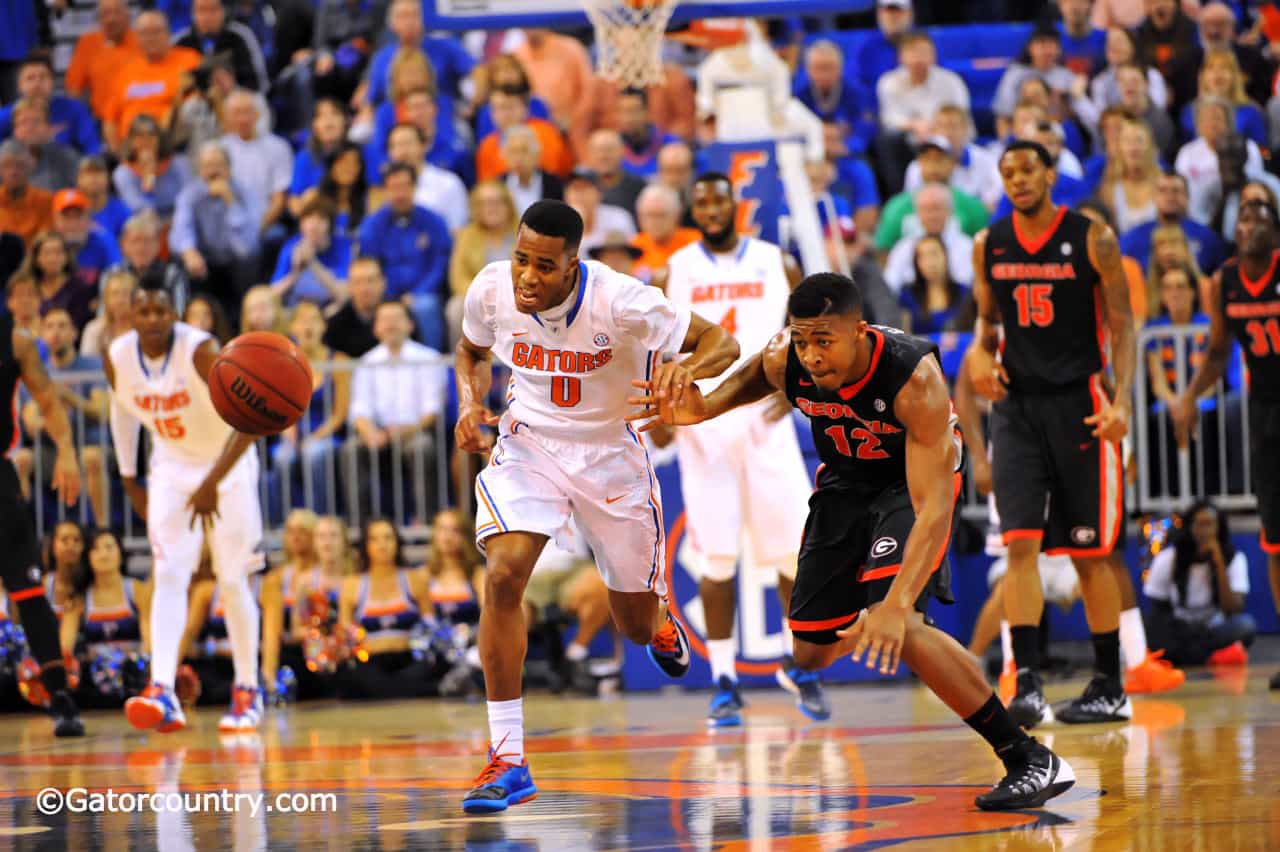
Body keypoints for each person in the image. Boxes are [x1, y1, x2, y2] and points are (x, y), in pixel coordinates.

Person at [629, 271, 1075, 811]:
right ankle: (889, 620)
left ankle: (1026, 755)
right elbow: (758, 376)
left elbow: (933, 507)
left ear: (859, 332)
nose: (811, 356)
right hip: (844, 485)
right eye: (802, 340)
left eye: (824, 341)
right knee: (811, 649)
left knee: (902, 623)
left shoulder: (913, 379)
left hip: (907, 489)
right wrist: (705, 406)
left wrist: (897, 604)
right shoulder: (785, 357)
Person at [454, 199, 738, 812]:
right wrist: (469, 403)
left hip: (612, 456)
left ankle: (659, 621)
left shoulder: (625, 301)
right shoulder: (493, 290)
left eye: (544, 266)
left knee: (634, 624)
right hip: (530, 443)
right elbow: (471, 352)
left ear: (573, 264)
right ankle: (508, 757)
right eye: (521, 259)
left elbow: (724, 343)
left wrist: (683, 372)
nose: (528, 276)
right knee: (503, 576)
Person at [967, 139, 1149, 727]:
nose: (1017, 180)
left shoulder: (1092, 238)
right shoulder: (987, 245)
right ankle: (1028, 684)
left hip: (1081, 405)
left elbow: (1122, 327)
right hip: (1017, 410)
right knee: (1019, 546)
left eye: (1027, 170)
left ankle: (1109, 684)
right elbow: (987, 322)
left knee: (1090, 553)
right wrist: (977, 352)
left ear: (1050, 174)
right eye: (1007, 173)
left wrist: (1122, 401)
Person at [663, 173, 825, 725]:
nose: (710, 207)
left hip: (764, 416)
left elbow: (812, 332)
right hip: (704, 423)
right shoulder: (677, 269)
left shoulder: (776, 261)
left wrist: (796, 389)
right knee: (716, 558)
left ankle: (797, 664)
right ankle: (725, 679)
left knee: (789, 553)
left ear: (737, 206)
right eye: (701, 200)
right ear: (693, 209)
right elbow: (658, 344)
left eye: (719, 199)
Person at [103, 277, 266, 733]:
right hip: (172, 468)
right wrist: (128, 477)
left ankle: (248, 690)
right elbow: (122, 412)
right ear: (131, 315)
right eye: (144, 311)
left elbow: (251, 421)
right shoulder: (117, 356)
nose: (153, 319)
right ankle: (162, 690)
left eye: (161, 310)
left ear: (175, 313)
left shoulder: (200, 351)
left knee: (233, 581)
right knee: (169, 574)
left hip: (229, 463)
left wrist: (213, 480)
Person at [1173, 197, 1280, 691]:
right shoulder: (1226, 281)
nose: (1251, 223)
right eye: (1244, 217)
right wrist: (1189, 397)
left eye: (1261, 216)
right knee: (1275, 538)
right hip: (1265, 415)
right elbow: (1218, 352)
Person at [0, 299, 85, 736]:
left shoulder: (17, 342)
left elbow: (49, 401)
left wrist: (67, 451)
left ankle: (59, 695)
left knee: (29, 592)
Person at [335, 518, 440, 699]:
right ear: (365, 546)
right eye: (374, 539)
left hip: (408, 660)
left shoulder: (415, 579)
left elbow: (430, 626)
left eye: (388, 538)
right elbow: (344, 634)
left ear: (397, 543)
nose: (382, 545)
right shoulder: (352, 584)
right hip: (369, 662)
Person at [1144, 499, 1256, 666]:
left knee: (1245, 625)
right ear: (1189, 527)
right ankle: (1212, 657)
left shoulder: (1234, 558)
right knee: (1146, 626)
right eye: (1199, 524)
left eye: (1210, 524)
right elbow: (1158, 608)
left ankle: (1185, 657)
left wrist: (1219, 564)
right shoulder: (1170, 557)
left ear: (1219, 527)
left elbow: (1233, 608)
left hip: (1213, 628)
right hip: (1180, 627)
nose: (1204, 531)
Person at [61, 528, 151, 709]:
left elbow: (149, 641)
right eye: (97, 549)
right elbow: (65, 646)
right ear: (88, 557)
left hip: (133, 678)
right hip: (94, 683)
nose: (104, 554)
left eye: (109, 547)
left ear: (120, 553)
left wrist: (139, 666)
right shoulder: (79, 599)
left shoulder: (138, 590)